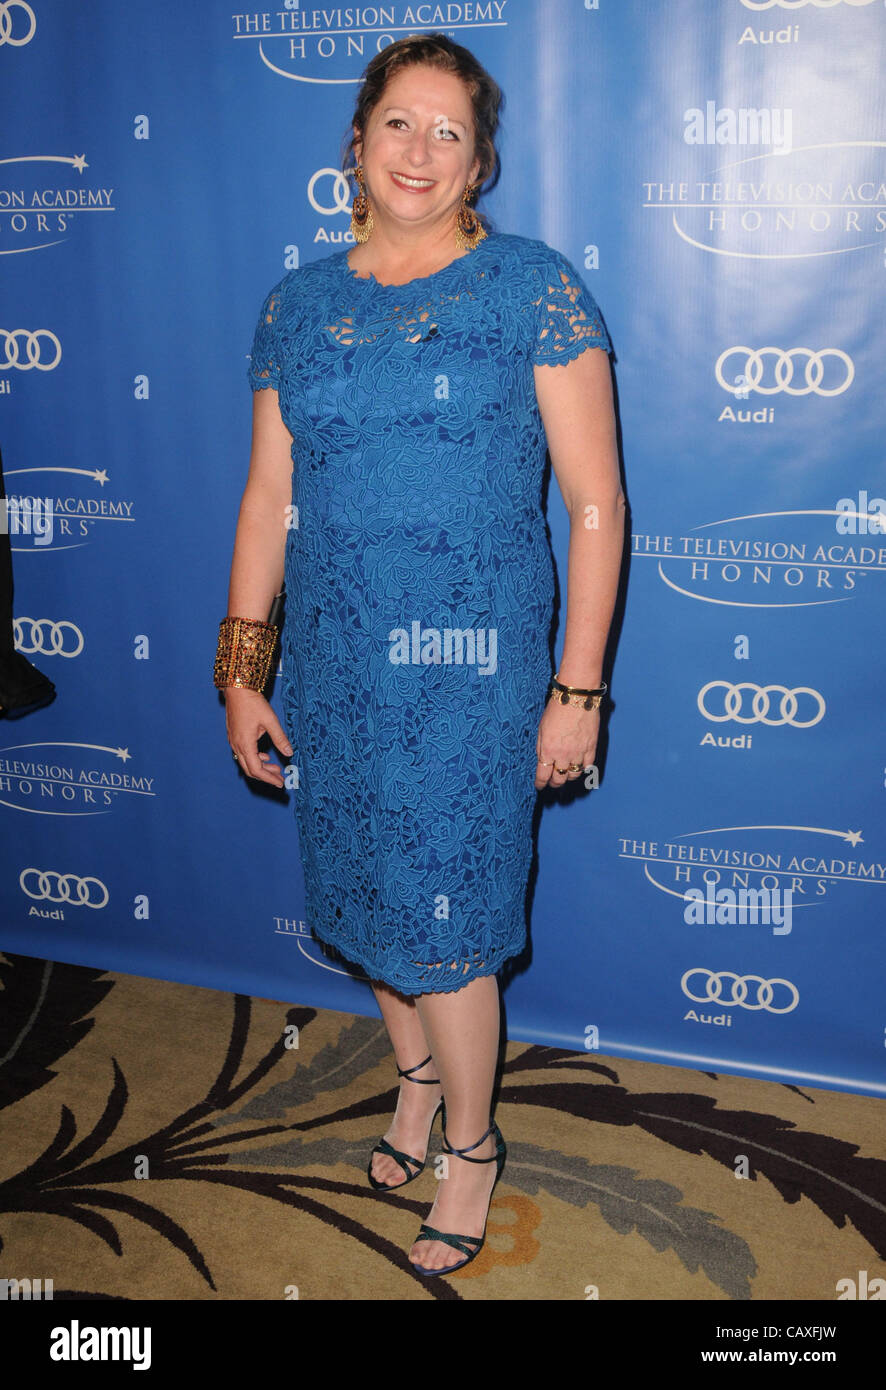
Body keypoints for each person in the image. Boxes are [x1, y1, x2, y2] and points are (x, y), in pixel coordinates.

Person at [215, 32, 624, 1276]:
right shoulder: (297, 301)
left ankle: (475, 1143)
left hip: (475, 669)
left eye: (449, 131)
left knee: (449, 924)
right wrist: (241, 665)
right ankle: (408, 1087)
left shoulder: (531, 288)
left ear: (480, 159)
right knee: (365, 896)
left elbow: (596, 506)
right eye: (399, 122)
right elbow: (264, 493)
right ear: (357, 138)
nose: (420, 150)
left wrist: (578, 688)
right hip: (335, 662)